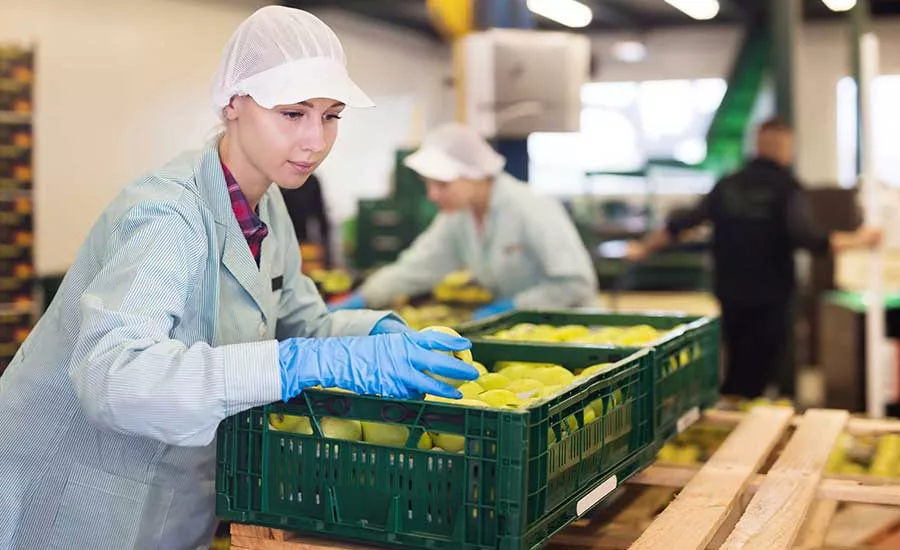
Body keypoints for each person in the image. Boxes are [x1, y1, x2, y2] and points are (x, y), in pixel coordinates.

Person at [0, 7, 478, 549]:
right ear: (232, 103)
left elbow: (302, 325)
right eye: (293, 113)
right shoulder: (168, 216)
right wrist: (301, 361)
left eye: (332, 116)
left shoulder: (268, 207)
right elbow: (114, 379)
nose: (315, 141)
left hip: (176, 488)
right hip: (76, 493)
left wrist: (374, 336)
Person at [627, 117, 881, 400]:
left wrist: (641, 248)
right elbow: (810, 238)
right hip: (772, 298)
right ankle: (743, 418)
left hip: (730, 293)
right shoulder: (787, 188)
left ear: (758, 144)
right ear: (785, 147)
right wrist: (860, 240)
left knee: (737, 362)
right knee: (761, 369)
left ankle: (733, 408)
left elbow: (681, 223)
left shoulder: (728, 185)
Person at [329, 123, 598, 319]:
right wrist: (363, 298)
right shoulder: (458, 218)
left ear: (475, 175)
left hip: (574, 332)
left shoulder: (529, 208)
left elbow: (576, 283)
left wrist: (514, 305)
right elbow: (416, 268)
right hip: (523, 331)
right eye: (428, 185)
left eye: (442, 185)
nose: (432, 195)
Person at [279, 173, 333, 268]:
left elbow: (320, 214)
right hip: (281, 241)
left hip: (303, 241)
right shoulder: (278, 182)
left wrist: (328, 258)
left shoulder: (311, 181)